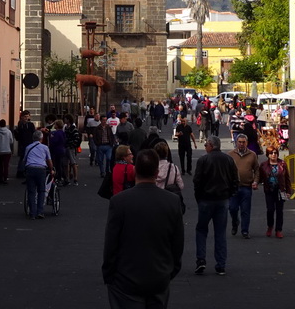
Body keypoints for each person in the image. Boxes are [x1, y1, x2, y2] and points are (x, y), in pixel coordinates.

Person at [102, 148, 183, 308]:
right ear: (157, 171)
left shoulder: (119, 202)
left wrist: (109, 274)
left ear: (135, 169)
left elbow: (111, 242)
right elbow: (177, 242)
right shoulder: (172, 201)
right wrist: (170, 271)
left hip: (126, 277)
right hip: (159, 276)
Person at [193, 135, 239, 276]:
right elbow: (234, 179)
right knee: (220, 232)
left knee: (201, 230)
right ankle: (221, 264)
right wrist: (230, 194)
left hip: (206, 199)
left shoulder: (203, 160)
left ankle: (201, 260)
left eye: (206, 144)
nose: (205, 147)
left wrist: (199, 197)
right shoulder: (228, 159)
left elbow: (197, 181)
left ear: (211, 146)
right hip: (222, 199)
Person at [226, 133, 260, 238]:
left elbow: (257, 170)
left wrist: (255, 181)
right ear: (236, 142)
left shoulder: (252, 155)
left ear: (247, 143)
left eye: (243, 142)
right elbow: (226, 170)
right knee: (232, 208)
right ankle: (235, 222)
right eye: (239, 142)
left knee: (245, 210)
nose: (241, 144)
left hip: (247, 187)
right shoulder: (230, 155)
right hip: (234, 188)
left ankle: (245, 231)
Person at [259, 147, 292, 238]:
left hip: (280, 190)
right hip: (269, 190)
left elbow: (287, 179)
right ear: (268, 155)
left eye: (275, 153)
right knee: (270, 209)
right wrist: (255, 183)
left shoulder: (282, 164)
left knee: (279, 211)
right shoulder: (263, 165)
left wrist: (288, 191)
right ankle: (270, 226)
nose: (273, 154)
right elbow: (259, 177)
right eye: (271, 153)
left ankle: (278, 230)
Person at [22, 130, 55, 219]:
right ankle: (40, 211)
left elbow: (24, 159)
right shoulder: (45, 148)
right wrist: (51, 169)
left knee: (31, 191)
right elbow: (49, 160)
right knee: (41, 190)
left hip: (30, 168)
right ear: (41, 138)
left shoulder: (28, 147)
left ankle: (32, 213)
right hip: (41, 169)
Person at [13, 110, 36, 178]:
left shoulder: (30, 125)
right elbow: (19, 135)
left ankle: (25, 171)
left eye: (27, 116)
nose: (26, 118)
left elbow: (33, 133)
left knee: (28, 158)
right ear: (22, 117)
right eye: (25, 117)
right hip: (22, 144)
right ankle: (20, 171)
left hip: (29, 143)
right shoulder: (20, 125)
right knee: (22, 158)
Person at [0, 118, 15, 184]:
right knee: (6, 165)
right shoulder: (9, 132)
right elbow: (11, 141)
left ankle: (1, 177)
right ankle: (5, 178)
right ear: (5, 124)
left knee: (0, 165)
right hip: (7, 150)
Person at [49, 119, 70, 186]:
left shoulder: (56, 133)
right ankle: (65, 178)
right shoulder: (62, 132)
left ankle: (60, 178)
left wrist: (51, 137)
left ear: (57, 126)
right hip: (61, 150)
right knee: (60, 164)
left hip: (56, 150)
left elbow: (53, 142)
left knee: (57, 165)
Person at [95, 114, 116, 178]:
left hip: (108, 145)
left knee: (108, 158)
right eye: (103, 120)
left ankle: (107, 170)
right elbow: (95, 137)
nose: (104, 121)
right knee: (100, 160)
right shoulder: (97, 128)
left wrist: (112, 143)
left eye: (105, 120)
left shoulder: (108, 128)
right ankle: (102, 172)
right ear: (101, 120)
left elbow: (112, 136)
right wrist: (97, 143)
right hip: (100, 145)